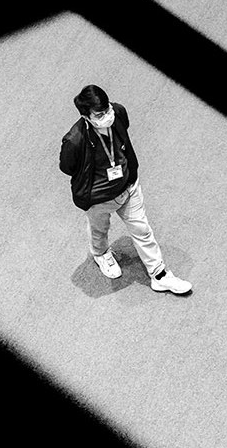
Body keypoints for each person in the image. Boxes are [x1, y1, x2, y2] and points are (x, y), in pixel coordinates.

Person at [59, 84, 192, 295]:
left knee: (143, 231)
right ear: (87, 117)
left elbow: (123, 132)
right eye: (100, 114)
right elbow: (67, 167)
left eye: (108, 109)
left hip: (129, 187)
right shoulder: (74, 141)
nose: (107, 116)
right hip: (98, 199)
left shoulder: (118, 112)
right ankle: (101, 254)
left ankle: (160, 275)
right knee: (99, 231)